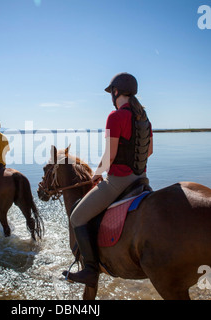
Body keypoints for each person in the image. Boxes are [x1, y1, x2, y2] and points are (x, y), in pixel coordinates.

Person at [63, 72, 153, 287]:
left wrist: (96, 174)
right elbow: (149, 151)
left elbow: (110, 156)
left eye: (111, 93)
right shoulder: (144, 118)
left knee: (77, 217)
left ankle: (90, 270)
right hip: (142, 180)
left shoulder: (115, 116)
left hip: (118, 181)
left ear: (115, 92)